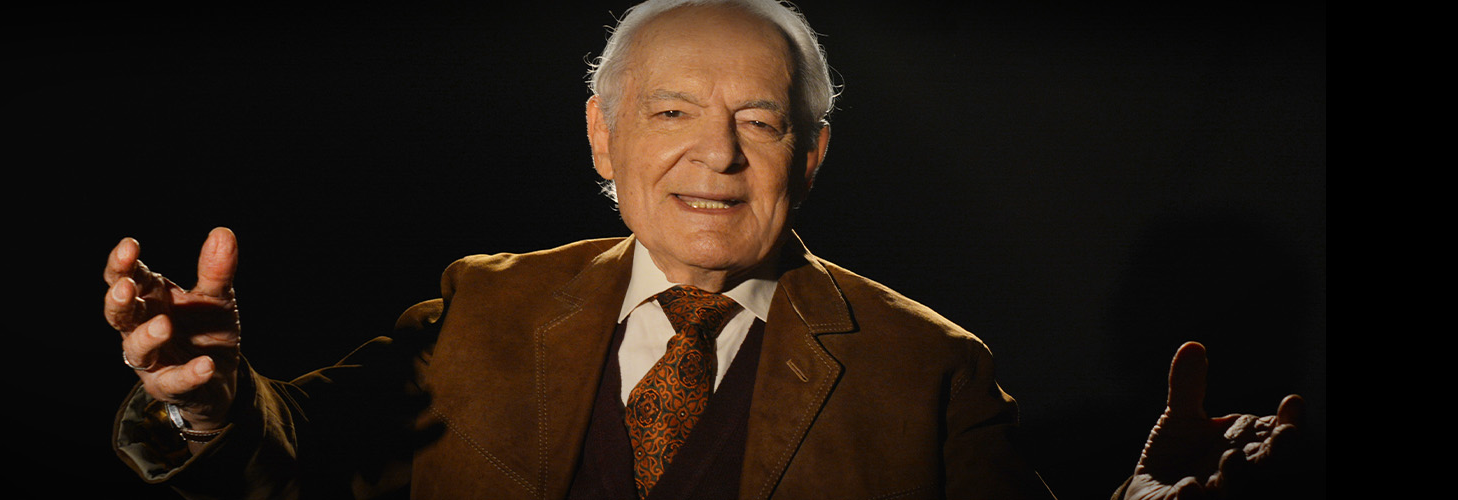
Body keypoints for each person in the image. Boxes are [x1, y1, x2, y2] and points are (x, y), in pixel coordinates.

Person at [103, 1, 1303, 499]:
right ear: (603, 136)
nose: (716, 156)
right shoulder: (482, 306)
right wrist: (200, 401)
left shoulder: (930, 367)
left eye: (760, 122)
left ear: (811, 155)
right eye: (673, 111)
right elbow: (285, 451)